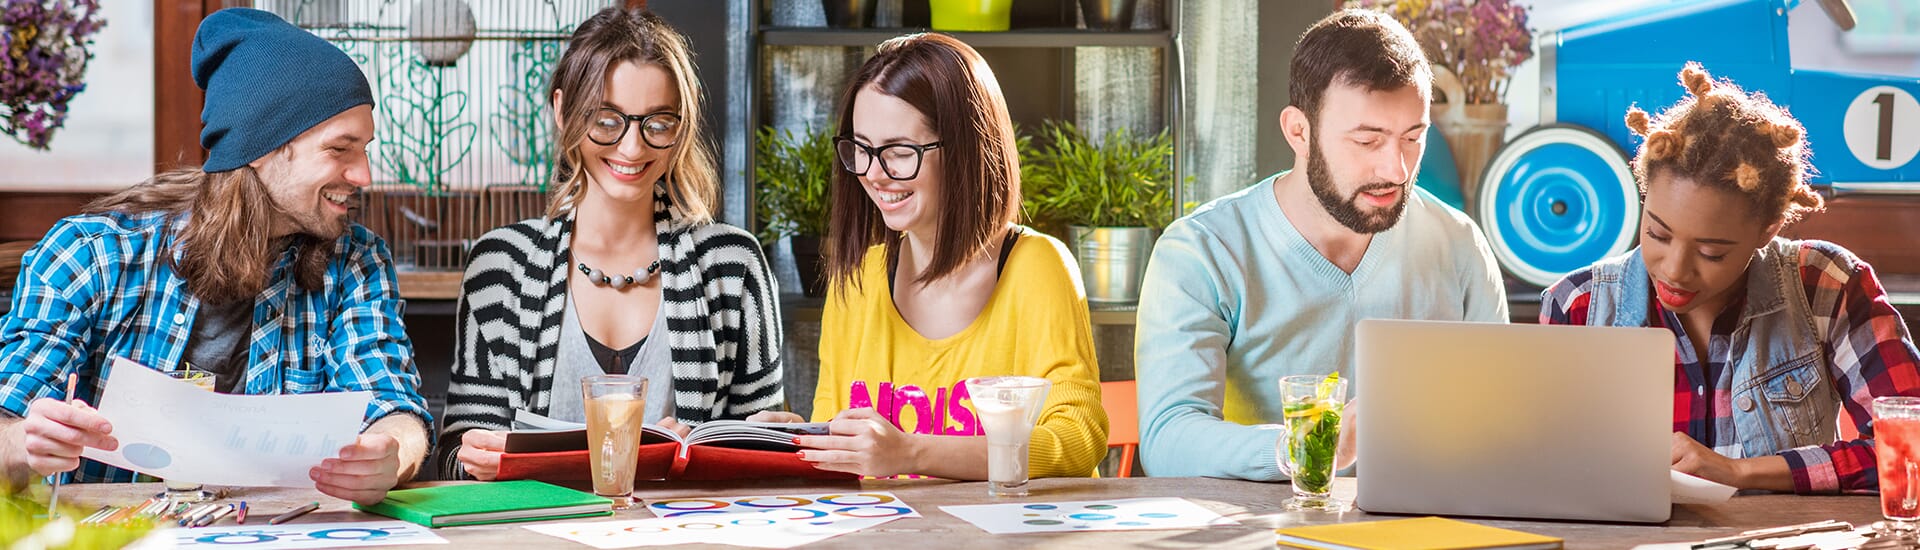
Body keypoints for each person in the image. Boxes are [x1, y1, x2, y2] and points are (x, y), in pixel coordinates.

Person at [0, 8, 430, 505]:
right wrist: (26, 444)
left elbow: (394, 406)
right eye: (340, 149)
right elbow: (8, 423)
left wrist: (392, 453)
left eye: (365, 149)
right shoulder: (91, 253)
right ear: (262, 148)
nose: (364, 176)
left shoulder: (356, 261)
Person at [1133, 9, 1508, 481]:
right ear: (1299, 132)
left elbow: (1501, 421)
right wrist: (1311, 447)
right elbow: (1169, 441)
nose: (1396, 169)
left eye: (1413, 138)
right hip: (1260, 530)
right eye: (1367, 141)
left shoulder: (1459, 245)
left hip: (1424, 523)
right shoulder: (1202, 252)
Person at [438, 7, 784, 481]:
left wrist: (772, 445)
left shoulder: (733, 266)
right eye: (606, 120)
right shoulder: (500, 266)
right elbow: (455, 457)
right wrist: (479, 459)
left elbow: (764, 461)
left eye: (658, 124)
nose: (632, 148)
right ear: (563, 111)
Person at [1542, 63, 1920, 494]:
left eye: (1711, 252)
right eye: (1657, 233)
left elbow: (1909, 452)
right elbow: (1542, 466)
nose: (1675, 269)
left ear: (1768, 229)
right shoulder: (1576, 305)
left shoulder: (1827, 285)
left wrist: (1740, 471)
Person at [748, 33, 1108, 480]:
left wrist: (913, 453)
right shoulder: (859, 278)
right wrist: (800, 441)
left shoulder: (1037, 266)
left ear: (966, 150)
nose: (875, 174)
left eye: (899, 152)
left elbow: (1077, 440)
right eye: (861, 149)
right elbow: (844, 434)